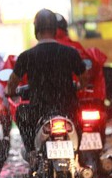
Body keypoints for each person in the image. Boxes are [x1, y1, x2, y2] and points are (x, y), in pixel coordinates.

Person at [5, 9, 88, 158]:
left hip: (39, 109)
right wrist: (79, 86)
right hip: (67, 107)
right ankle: (77, 152)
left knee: (21, 112)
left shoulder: (26, 56)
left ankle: (31, 153)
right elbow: (84, 79)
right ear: (55, 29)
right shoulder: (71, 53)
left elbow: (12, 83)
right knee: (80, 117)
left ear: (36, 29)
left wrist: (10, 91)